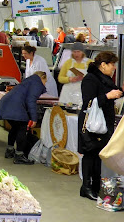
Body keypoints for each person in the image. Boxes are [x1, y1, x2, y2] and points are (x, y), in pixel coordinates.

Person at [79, 52, 122, 200]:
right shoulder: (90, 79)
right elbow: (88, 102)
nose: (114, 68)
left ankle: (96, 186)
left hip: (103, 124)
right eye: (112, 64)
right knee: (89, 154)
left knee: (97, 155)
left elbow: (112, 92)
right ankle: (86, 187)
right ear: (103, 65)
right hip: (92, 124)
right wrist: (107, 97)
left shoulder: (106, 79)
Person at [0, 71, 48, 165]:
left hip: (5, 104)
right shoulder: (37, 83)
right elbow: (31, 101)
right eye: (45, 81)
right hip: (14, 107)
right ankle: (19, 155)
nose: (45, 84)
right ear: (42, 78)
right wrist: (34, 118)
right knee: (22, 128)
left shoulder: (28, 81)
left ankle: (10, 150)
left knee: (15, 127)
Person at [58, 42, 92, 107]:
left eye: (78, 52)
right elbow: (60, 78)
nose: (76, 54)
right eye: (74, 52)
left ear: (82, 52)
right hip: (67, 93)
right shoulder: (68, 62)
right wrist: (69, 79)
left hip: (82, 92)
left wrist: (85, 78)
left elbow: (94, 79)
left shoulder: (89, 63)